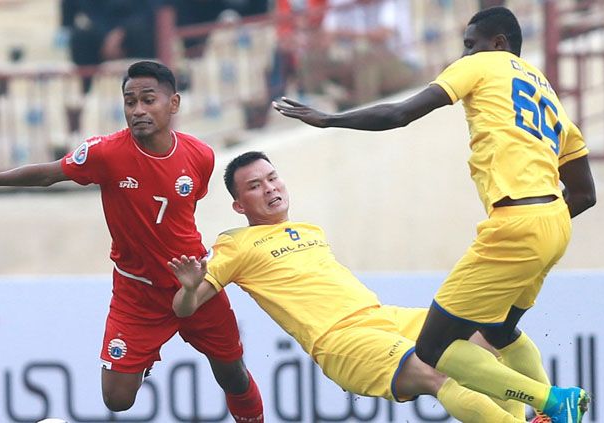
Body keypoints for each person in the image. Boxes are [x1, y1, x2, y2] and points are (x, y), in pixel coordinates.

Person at [273, 6, 596, 423]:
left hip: (516, 223)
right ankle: (541, 417)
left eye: (469, 44)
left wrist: (330, 119)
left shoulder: (482, 65)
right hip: (553, 221)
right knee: (498, 332)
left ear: (497, 43)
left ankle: (551, 401)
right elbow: (585, 194)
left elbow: (400, 113)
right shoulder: (547, 94)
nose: (464, 54)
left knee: (432, 350)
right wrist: (541, 224)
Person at [0, 61, 264, 422]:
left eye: (148, 100)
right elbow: (49, 175)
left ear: (173, 104)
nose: (137, 110)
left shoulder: (200, 155)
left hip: (195, 283)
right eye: (129, 101)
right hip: (136, 292)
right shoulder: (105, 153)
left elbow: (185, 206)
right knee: (117, 400)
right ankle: (141, 359)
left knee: (232, 374)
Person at [168, 151, 557, 423]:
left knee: (486, 337)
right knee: (439, 377)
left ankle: (538, 415)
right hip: (342, 340)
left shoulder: (309, 229)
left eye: (272, 178)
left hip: (381, 317)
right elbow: (185, 308)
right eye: (254, 186)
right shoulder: (235, 244)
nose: (269, 189)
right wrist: (188, 288)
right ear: (239, 205)